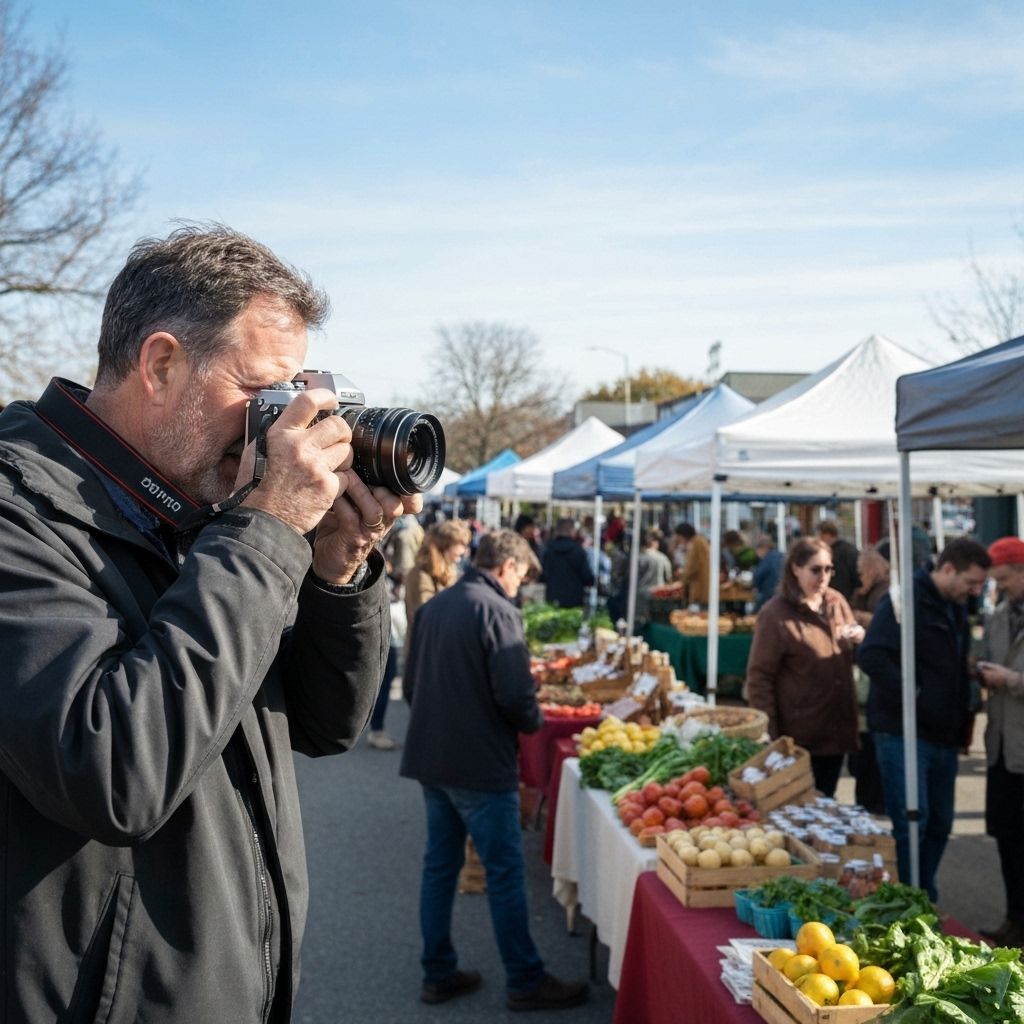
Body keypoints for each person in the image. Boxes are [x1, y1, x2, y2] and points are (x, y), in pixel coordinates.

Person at [0, 225, 418, 1022]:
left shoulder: (203, 509)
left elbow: (328, 725)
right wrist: (264, 532)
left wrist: (336, 569)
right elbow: (114, 773)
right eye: (265, 393)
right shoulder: (21, 510)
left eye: (297, 395)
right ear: (160, 364)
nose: (285, 424)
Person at [400, 530, 589, 1011]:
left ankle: (437, 971)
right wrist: (533, 719)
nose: (520, 585)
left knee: (440, 867)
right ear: (507, 566)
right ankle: (525, 979)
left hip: (433, 757)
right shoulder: (499, 611)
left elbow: (415, 681)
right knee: (504, 873)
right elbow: (515, 697)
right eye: (522, 575)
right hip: (479, 764)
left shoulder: (439, 606)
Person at [857, 537, 990, 900]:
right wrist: (912, 692)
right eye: (972, 582)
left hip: (943, 733)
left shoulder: (955, 604)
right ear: (948, 569)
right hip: (903, 731)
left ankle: (922, 892)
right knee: (912, 821)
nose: (976, 590)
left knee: (939, 823)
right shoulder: (903, 601)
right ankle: (909, 898)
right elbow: (871, 655)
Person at [746, 537, 865, 797]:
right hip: (800, 734)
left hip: (836, 728)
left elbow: (848, 645)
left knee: (826, 802)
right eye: (816, 569)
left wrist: (858, 638)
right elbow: (759, 677)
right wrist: (771, 734)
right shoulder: (776, 614)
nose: (823, 576)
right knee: (797, 806)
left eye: (828, 569)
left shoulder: (835, 602)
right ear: (795, 569)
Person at [975, 537, 1024, 945]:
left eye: (1005, 579)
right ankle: (1015, 920)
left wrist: (1011, 681)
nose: (1000, 587)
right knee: (1008, 841)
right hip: (1002, 748)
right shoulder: (1000, 616)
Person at [847, 544, 892, 815]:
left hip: (873, 683)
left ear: (874, 570)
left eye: (861, 571)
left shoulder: (885, 593)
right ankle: (867, 801)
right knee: (862, 751)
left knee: (869, 751)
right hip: (862, 678)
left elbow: (888, 626)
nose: (858, 575)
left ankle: (873, 802)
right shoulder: (865, 591)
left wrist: (862, 618)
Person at [402, 519, 472, 667]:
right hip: (425, 657)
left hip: (440, 654)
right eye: (460, 545)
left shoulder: (447, 571)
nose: (462, 553)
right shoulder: (421, 575)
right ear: (444, 546)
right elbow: (425, 617)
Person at [540, 518, 594, 607]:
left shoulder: (548, 550)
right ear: (572, 531)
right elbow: (587, 577)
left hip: (552, 598)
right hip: (574, 600)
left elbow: (543, 575)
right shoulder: (578, 551)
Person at [635, 527, 674, 626]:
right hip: (658, 596)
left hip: (640, 595)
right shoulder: (663, 558)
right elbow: (669, 579)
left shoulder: (639, 557)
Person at [816, 520, 860, 600]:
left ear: (827, 534)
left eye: (821, 535)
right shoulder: (850, 549)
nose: (819, 539)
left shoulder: (834, 554)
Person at [673, 522, 711, 606]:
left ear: (683, 535)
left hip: (700, 588)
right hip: (703, 586)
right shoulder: (699, 541)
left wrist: (683, 578)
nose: (678, 540)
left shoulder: (696, 544)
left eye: (678, 537)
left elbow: (692, 566)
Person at [383, 512, 424, 583]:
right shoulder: (417, 527)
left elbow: (403, 564)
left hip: (403, 570)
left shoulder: (402, 533)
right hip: (411, 568)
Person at [752, 534, 784, 611]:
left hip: (769, 593)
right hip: (782, 592)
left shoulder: (767, 559)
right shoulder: (781, 555)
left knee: (756, 609)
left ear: (762, 549)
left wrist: (755, 585)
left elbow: (758, 575)